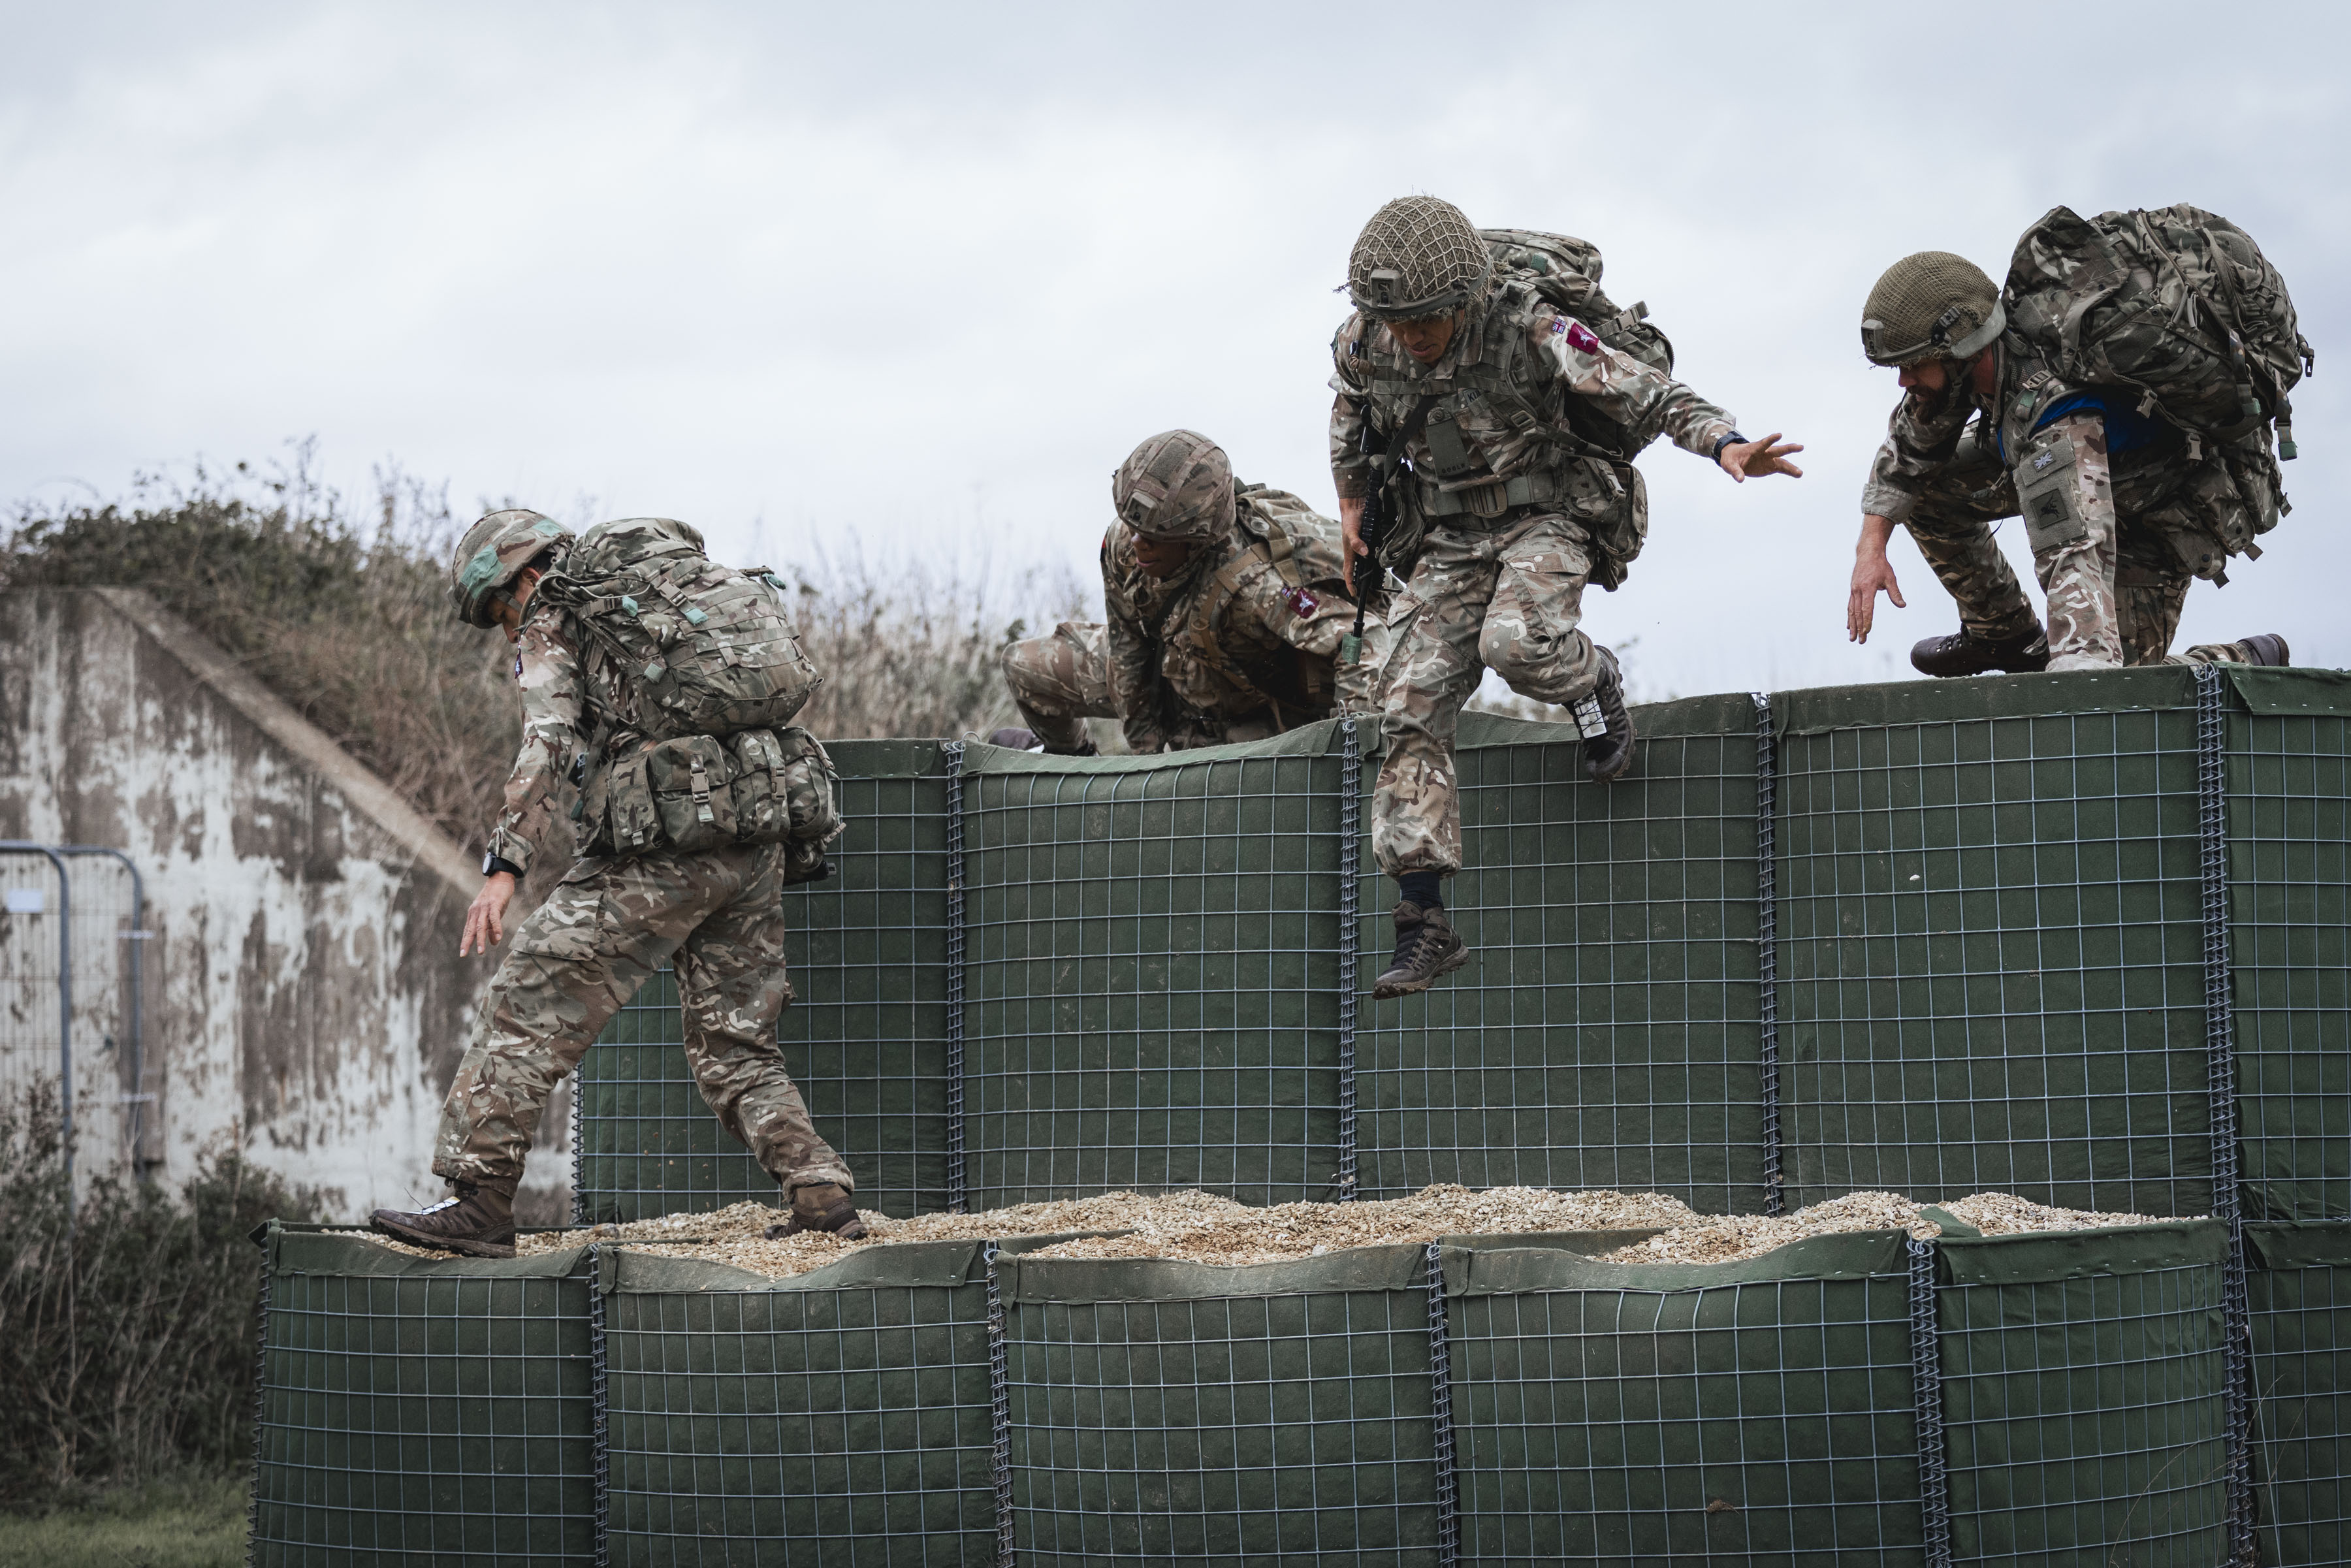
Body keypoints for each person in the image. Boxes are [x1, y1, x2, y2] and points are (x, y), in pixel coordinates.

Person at [1332, 195, 1802, 999]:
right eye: (1396, 320)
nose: (1411, 336)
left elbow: (1646, 391)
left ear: (1463, 300)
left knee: (1515, 645)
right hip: (1448, 535)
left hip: (1548, 512)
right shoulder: (1372, 338)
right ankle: (1423, 921)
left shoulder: (1528, 324)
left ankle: (1594, 683)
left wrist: (1724, 441)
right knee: (1406, 700)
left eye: (1427, 319)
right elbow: (1351, 407)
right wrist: (1350, 504)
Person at [370, 509, 861, 1258]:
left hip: (664, 852)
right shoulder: (668, 607)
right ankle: (819, 1191)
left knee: (526, 1001)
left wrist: (505, 867)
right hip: (757, 842)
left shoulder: (557, 615)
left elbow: (548, 740)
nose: (509, 632)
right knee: (735, 1044)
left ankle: (481, 1199)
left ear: (524, 577)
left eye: (501, 611)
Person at [1848, 246, 2290, 674]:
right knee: (1927, 490)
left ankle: (2236, 663)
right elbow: (1904, 456)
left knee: (2107, 690)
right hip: (2068, 469)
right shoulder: (1970, 364)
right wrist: (1871, 548)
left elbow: (2073, 552)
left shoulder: (2054, 413)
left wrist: (2070, 674)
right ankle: (2005, 635)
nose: (1905, 380)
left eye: (1915, 365)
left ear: (1964, 348)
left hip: (2155, 509)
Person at [998, 429, 1385, 755]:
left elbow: (1362, 640)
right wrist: (1145, 760)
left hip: (1252, 709)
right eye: (1134, 529)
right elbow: (1128, 649)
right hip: (1171, 671)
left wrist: (1348, 755)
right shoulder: (1125, 543)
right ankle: (1071, 763)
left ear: (1197, 538)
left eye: (1154, 537)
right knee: (1024, 666)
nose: (1137, 543)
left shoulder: (1257, 585)